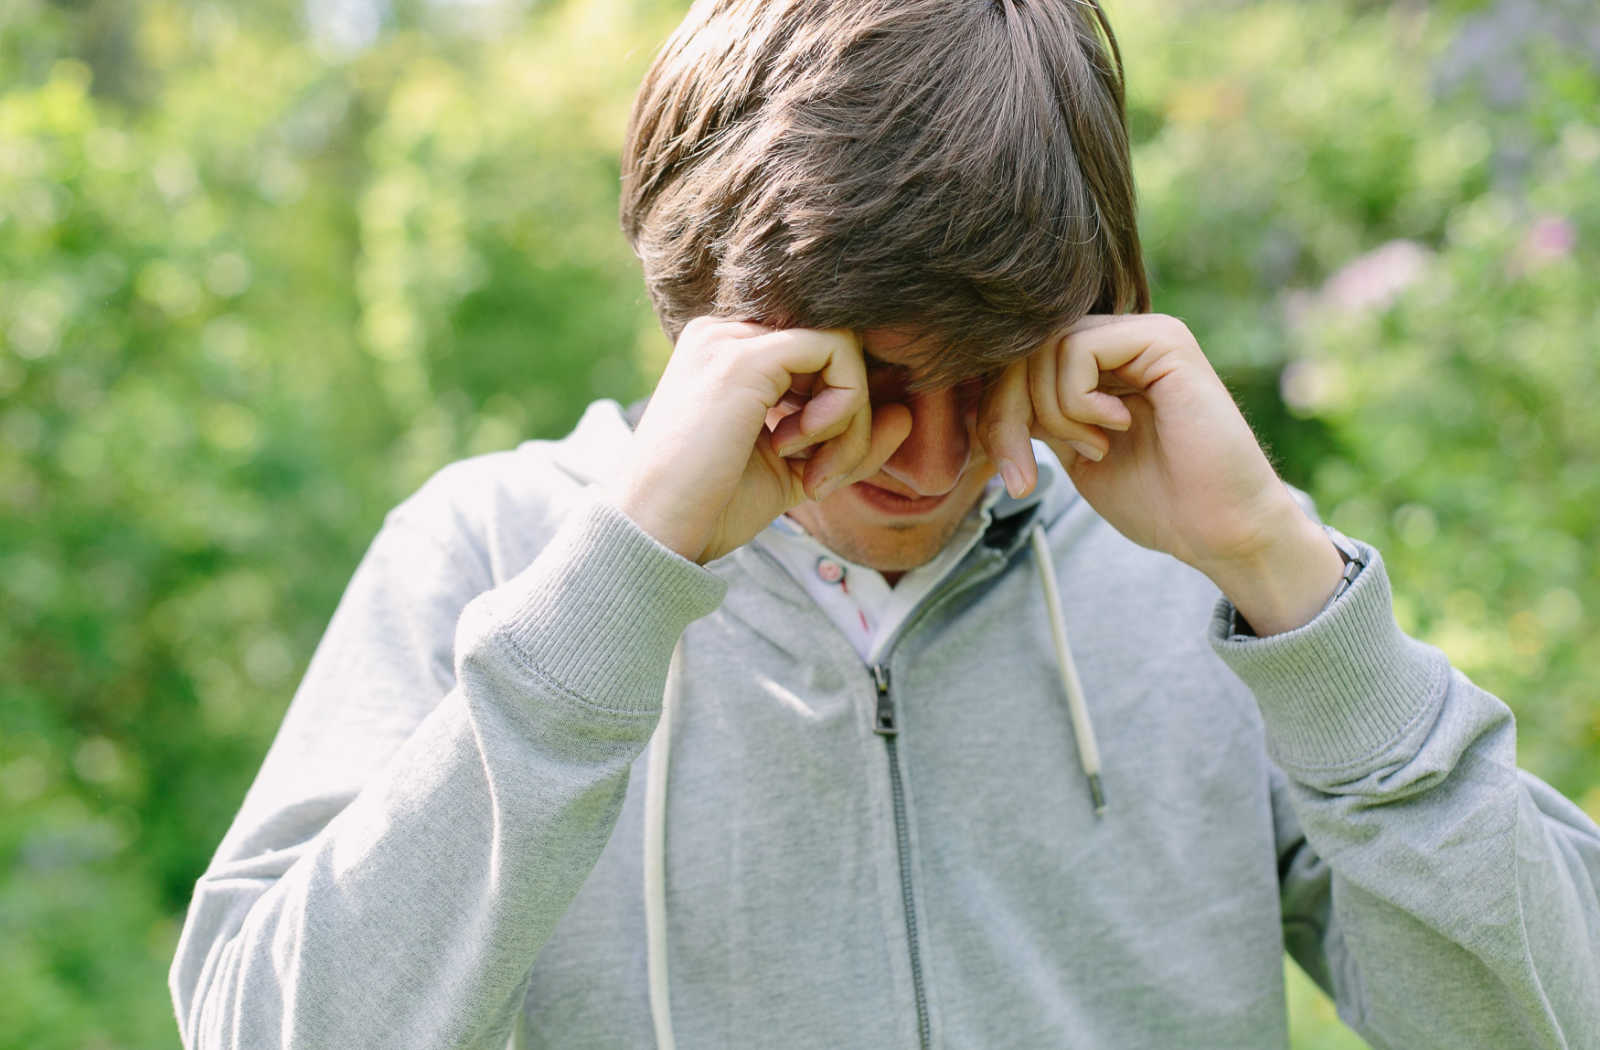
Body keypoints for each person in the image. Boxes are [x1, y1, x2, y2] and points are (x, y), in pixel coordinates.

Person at [169, 0, 1600, 1047]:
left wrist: (1281, 575)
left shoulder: (1205, 584)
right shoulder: (489, 555)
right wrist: (616, 590)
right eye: (868, 373)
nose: (930, 454)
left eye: (988, 371)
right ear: (709, 319)